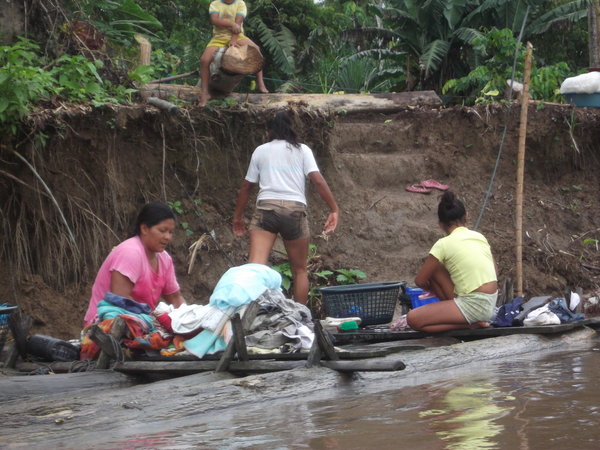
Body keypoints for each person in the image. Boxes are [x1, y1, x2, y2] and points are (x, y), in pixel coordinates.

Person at [232, 110, 339, 305]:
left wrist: (237, 217)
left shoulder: (260, 151)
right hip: (294, 210)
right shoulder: (302, 150)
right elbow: (318, 180)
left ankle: (250, 317)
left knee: (255, 268)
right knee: (299, 270)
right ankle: (300, 318)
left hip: (267, 209)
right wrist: (333, 209)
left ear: (268, 131)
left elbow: (247, 186)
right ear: (290, 128)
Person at [83, 202, 186, 327]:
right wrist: (152, 320)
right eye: (162, 231)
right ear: (144, 229)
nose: (167, 237)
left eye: (170, 232)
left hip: (140, 323)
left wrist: (189, 319)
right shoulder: (131, 252)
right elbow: (120, 301)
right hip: (106, 325)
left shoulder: (165, 259)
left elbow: (175, 298)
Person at [407, 191, 498, 332]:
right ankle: (463, 314)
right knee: (437, 268)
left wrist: (431, 289)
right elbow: (495, 271)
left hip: (473, 305)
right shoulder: (479, 237)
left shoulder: (443, 244)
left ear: (440, 224)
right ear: (466, 216)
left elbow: (420, 281)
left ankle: (471, 324)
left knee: (413, 319)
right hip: (490, 302)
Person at [198, 0, 268, 107]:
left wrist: (234, 39)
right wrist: (231, 24)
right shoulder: (215, 4)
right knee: (204, 60)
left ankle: (260, 83)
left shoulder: (240, 3)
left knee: (256, 50)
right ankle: (204, 92)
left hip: (238, 36)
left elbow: (238, 24)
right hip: (219, 37)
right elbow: (214, 20)